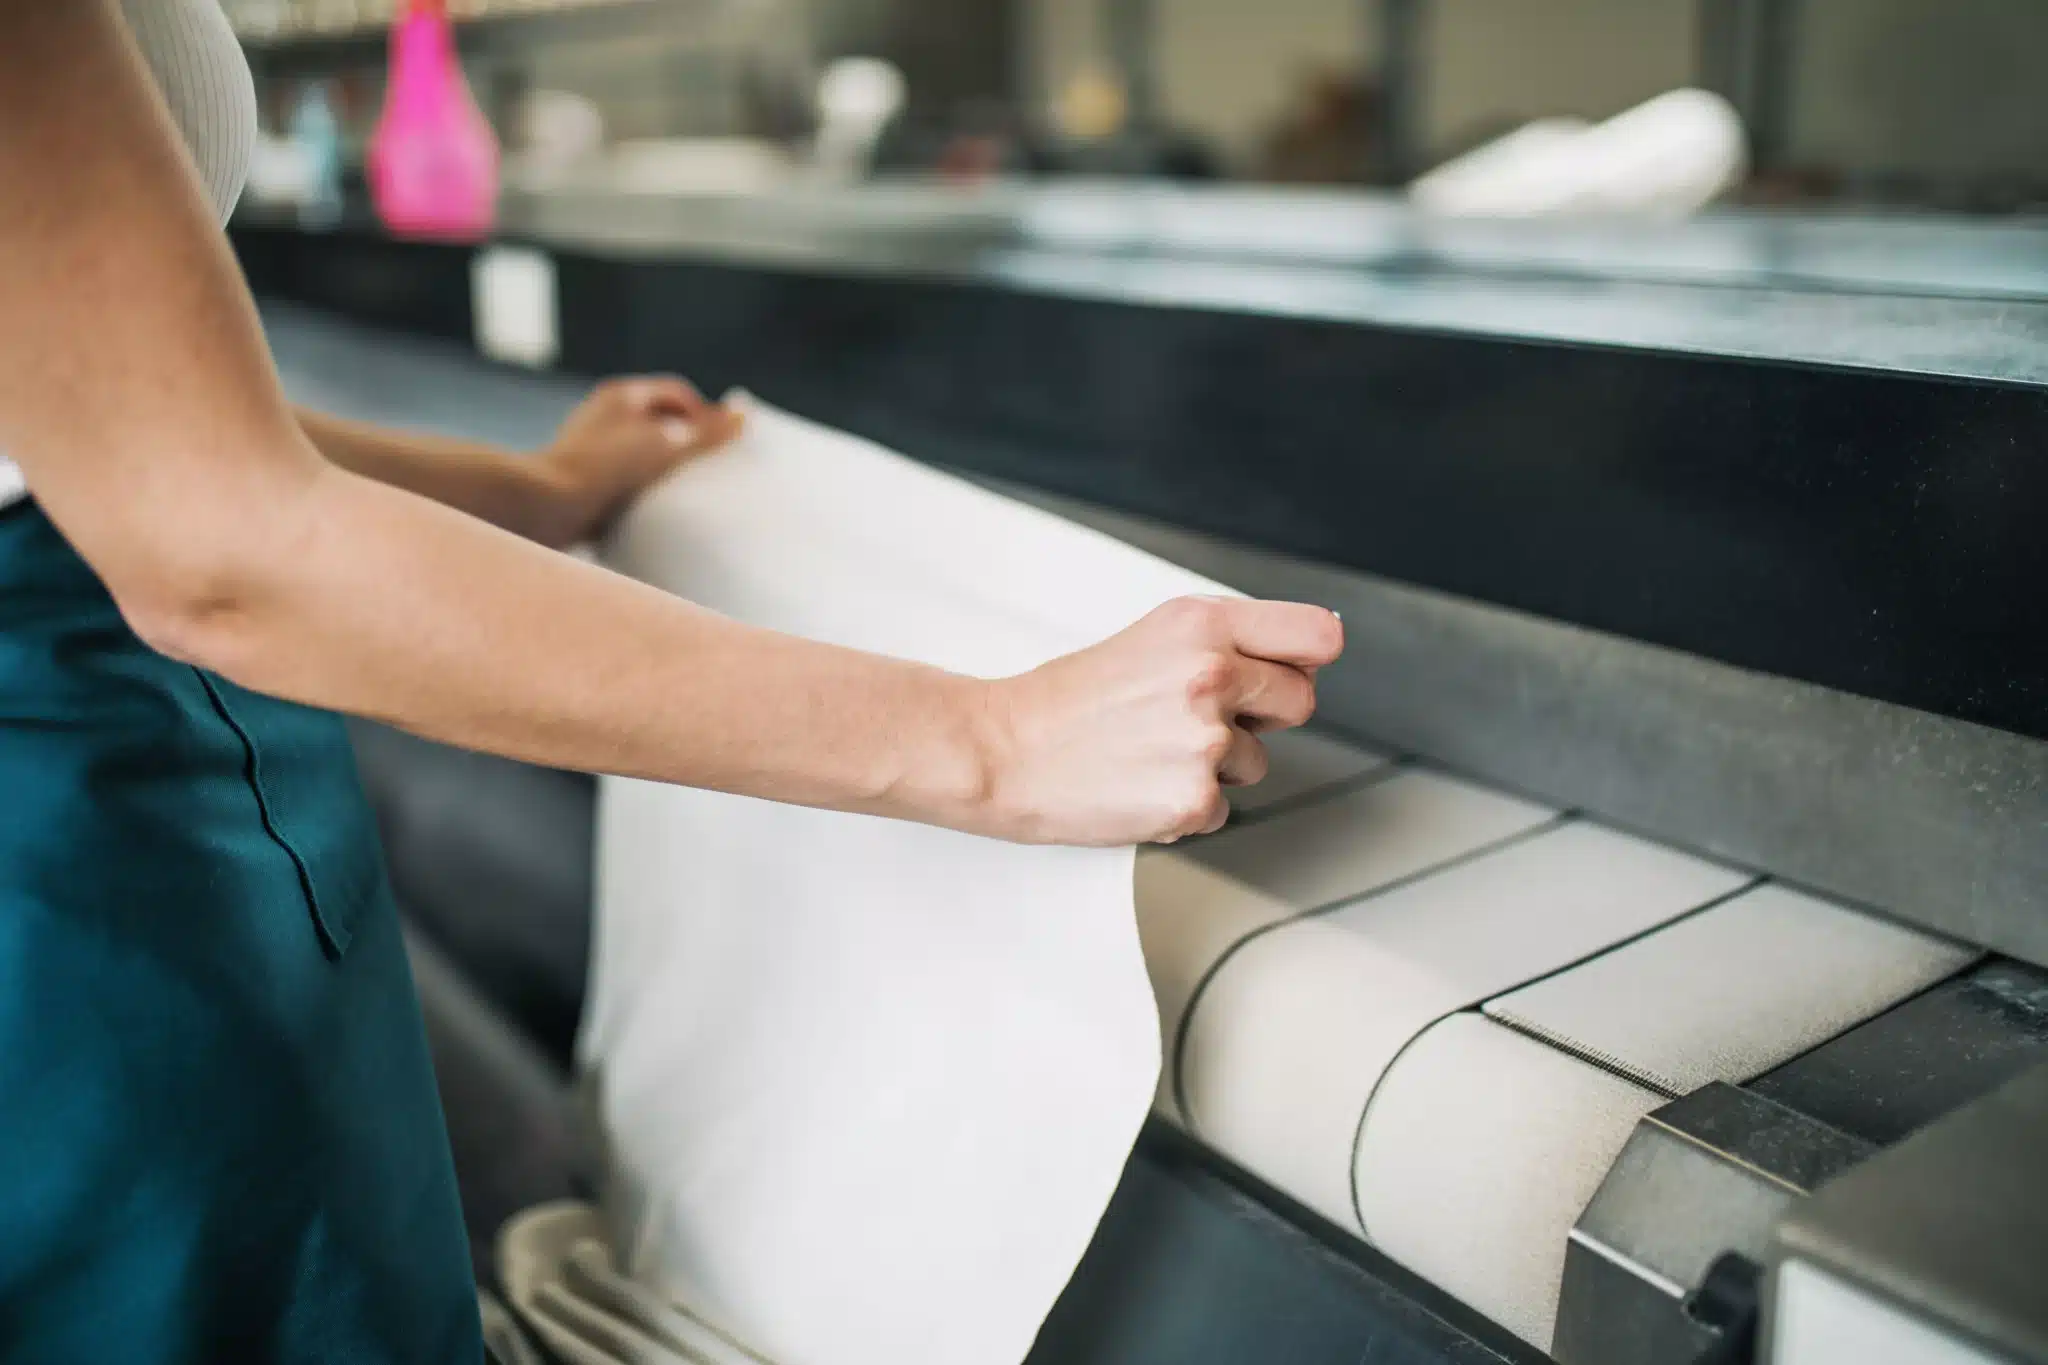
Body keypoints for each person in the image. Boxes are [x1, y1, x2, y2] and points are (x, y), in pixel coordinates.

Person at [0, 2, 1344, 1362]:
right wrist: (992, 740)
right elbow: (221, 549)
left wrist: (535, 493)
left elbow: (106, 411)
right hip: (65, 889)